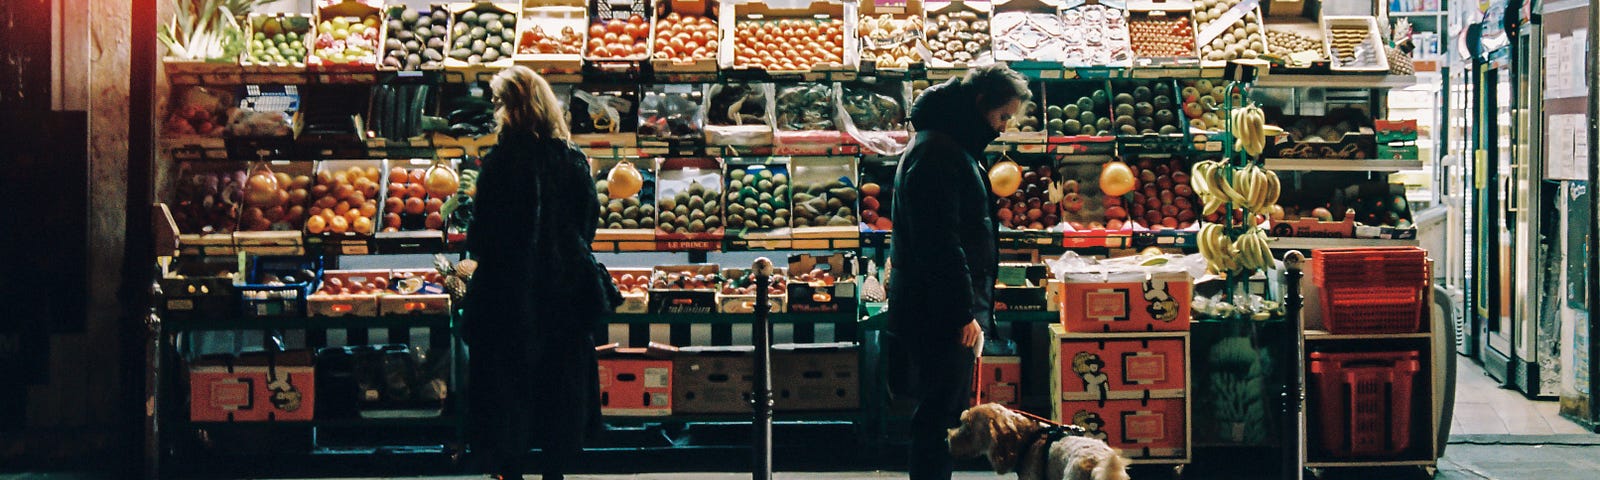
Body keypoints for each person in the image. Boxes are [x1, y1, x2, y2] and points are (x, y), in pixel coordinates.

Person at [464, 65, 620, 480]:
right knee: (559, 394)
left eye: (499, 103)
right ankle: (555, 472)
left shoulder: (498, 163)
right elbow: (588, 227)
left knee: (507, 393)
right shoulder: (571, 160)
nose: (495, 110)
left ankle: (508, 472)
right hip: (564, 295)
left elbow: (480, 237)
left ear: (511, 109)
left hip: (507, 296)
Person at [887, 64, 1031, 480]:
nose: (1003, 128)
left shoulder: (943, 146)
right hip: (938, 314)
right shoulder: (939, 154)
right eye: (1002, 117)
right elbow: (941, 244)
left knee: (940, 414)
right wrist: (962, 313)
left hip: (934, 308)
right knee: (938, 417)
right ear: (980, 104)